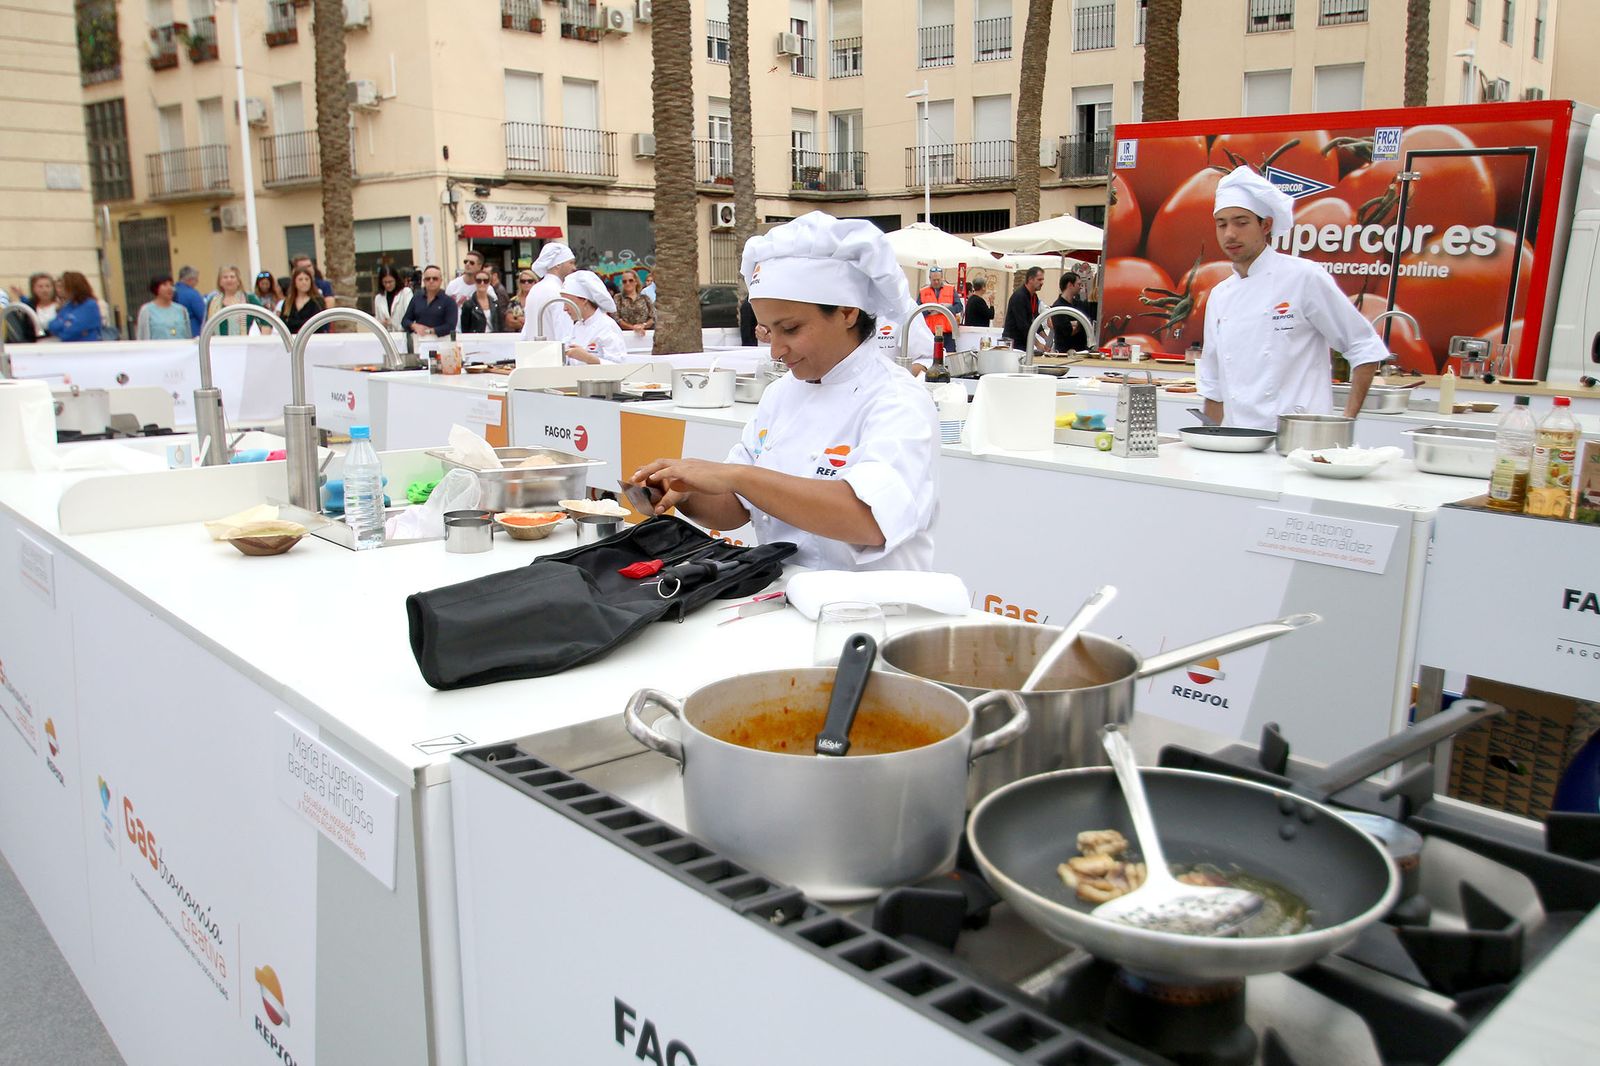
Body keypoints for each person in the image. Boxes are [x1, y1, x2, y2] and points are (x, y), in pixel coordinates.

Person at [628, 211, 940, 572]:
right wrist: (682, 490)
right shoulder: (780, 394)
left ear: (847, 312)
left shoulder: (897, 401)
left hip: (873, 611)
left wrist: (735, 476)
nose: (776, 350)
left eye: (789, 329)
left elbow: (868, 521)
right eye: (767, 331)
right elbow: (734, 509)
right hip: (784, 596)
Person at [1200, 167, 1386, 429]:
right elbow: (1213, 384)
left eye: (1241, 222)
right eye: (1222, 224)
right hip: (1237, 442)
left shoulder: (1303, 277)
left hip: (1297, 440)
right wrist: (1209, 439)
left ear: (1266, 225)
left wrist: (1345, 422)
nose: (1230, 234)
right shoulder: (1219, 295)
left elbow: (1364, 348)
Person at [560, 270, 628, 364]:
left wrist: (588, 358)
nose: (564, 308)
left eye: (568, 302)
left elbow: (620, 366)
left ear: (584, 300)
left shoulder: (607, 326)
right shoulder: (577, 326)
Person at [519, 242, 577, 342]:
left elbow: (526, 330)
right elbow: (565, 334)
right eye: (571, 263)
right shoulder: (559, 292)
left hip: (533, 353)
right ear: (558, 264)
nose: (574, 268)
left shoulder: (535, 289)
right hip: (553, 354)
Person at [43, 272, 103, 342]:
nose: (59, 290)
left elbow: (72, 331)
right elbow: (52, 325)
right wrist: (65, 324)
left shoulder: (89, 305)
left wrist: (63, 326)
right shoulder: (69, 305)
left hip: (87, 346)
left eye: (63, 286)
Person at [400, 265, 458, 336]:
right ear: (424, 281)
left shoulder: (449, 302)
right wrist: (414, 326)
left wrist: (429, 331)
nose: (431, 281)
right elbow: (405, 320)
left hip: (442, 342)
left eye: (435, 278)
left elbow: (450, 326)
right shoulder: (416, 298)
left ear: (441, 281)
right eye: (428, 279)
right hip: (419, 342)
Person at [1001, 267, 1047, 352]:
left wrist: (1046, 338)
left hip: (1024, 341)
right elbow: (1022, 325)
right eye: (1039, 279)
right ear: (1030, 279)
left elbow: (1036, 320)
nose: (1042, 283)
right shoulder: (1019, 297)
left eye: (1042, 280)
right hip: (1013, 342)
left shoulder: (1034, 297)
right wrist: (1037, 344)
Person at [136, 275, 192, 339]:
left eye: (171, 285)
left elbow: (188, 335)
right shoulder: (146, 310)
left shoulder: (182, 310)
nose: (169, 288)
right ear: (156, 288)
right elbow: (141, 337)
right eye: (165, 285)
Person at [204, 265, 255, 336]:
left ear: (238, 281)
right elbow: (207, 326)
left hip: (243, 344)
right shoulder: (212, 301)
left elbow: (265, 322)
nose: (229, 280)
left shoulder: (249, 298)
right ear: (220, 282)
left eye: (232, 277)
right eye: (225, 277)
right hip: (217, 344)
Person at [918, 265, 962, 343]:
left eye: (938, 279)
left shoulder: (951, 289)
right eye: (934, 280)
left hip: (947, 333)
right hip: (929, 333)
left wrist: (947, 308)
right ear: (929, 278)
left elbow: (959, 307)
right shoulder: (923, 292)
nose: (936, 282)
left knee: (949, 354)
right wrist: (928, 310)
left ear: (942, 278)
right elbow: (917, 312)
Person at [1051, 271, 1092, 353]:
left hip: (1082, 351)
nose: (1081, 287)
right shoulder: (1058, 307)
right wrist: (1080, 323)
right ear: (1070, 285)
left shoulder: (1079, 304)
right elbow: (1067, 332)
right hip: (1064, 353)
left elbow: (1088, 320)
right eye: (1078, 284)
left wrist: (1075, 323)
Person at [280, 265, 325, 334]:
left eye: (307, 279)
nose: (304, 282)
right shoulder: (288, 302)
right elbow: (283, 323)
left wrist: (293, 322)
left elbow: (316, 323)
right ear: (294, 282)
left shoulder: (318, 301)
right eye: (300, 279)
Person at [459, 268, 503, 333]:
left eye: (485, 281)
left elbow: (499, 326)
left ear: (489, 282)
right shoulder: (468, 305)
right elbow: (465, 329)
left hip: (493, 339)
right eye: (478, 281)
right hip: (476, 339)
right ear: (475, 282)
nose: (482, 283)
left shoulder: (495, 304)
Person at [613, 269, 655, 336]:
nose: (628, 283)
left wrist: (643, 325)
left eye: (630, 280)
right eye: (624, 281)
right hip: (625, 336)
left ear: (636, 282)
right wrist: (633, 328)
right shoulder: (618, 298)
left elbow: (653, 317)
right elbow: (616, 318)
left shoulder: (645, 298)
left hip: (645, 336)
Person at [372, 265, 412, 331]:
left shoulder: (406, 293)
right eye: (385, 282)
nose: (388, 285)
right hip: (387, 336)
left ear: (396, 280)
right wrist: (382, 323)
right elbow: (378, 320)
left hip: (403, 335)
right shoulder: (378, 298)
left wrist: (393, 323)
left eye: (390, 282)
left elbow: (409, 317)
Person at [173, 265, 208, 337]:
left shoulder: (173, 290)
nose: (197, 282)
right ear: (190, 279)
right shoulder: (192, 294)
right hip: (193, 332)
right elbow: (203, 316)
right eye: (196, 279)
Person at [504, 268, 536, 334]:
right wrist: (529, 323)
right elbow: (509, 322)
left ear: (535, 282)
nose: (526, 283)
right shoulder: (514, 301)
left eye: (530, 281)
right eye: (523, 281)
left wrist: (521, 320)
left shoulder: (539, 299)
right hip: (518, 336)